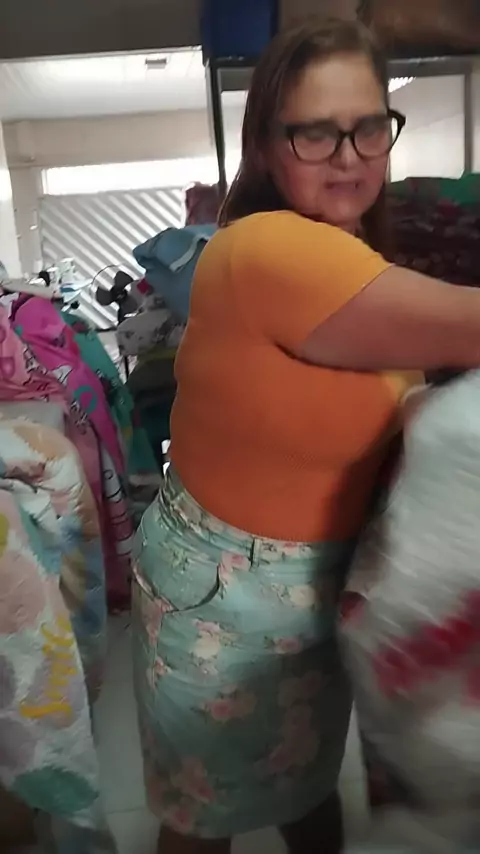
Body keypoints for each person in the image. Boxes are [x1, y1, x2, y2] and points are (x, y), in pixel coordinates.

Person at [131, 17, 480, 854]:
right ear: (264, 146)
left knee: (310, 781)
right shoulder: (265, 249)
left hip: (318, 585)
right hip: (221, 597)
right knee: (201, 818)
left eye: (367, 127)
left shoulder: (351, 250)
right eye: (315, 133)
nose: (348, 156)